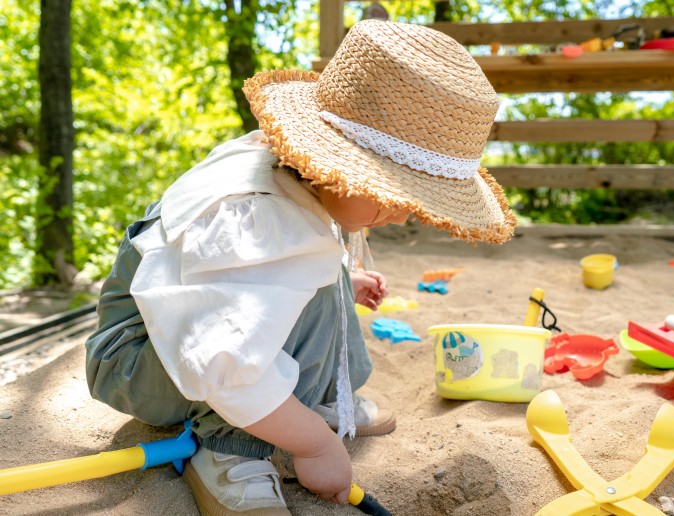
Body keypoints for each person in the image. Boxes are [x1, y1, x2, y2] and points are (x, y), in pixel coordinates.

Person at [85, 19, 515, 516]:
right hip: (142, 358)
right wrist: (315, 446)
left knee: (323, 274)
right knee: (264, 339)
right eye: (395, 193)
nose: (403, 213)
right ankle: (231, 447)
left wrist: (340, 284)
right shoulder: (258, 218)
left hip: (199, 329)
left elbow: (267, 274)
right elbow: (225, 364)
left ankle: (304, 405)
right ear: (336, 161)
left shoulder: (294, 181)